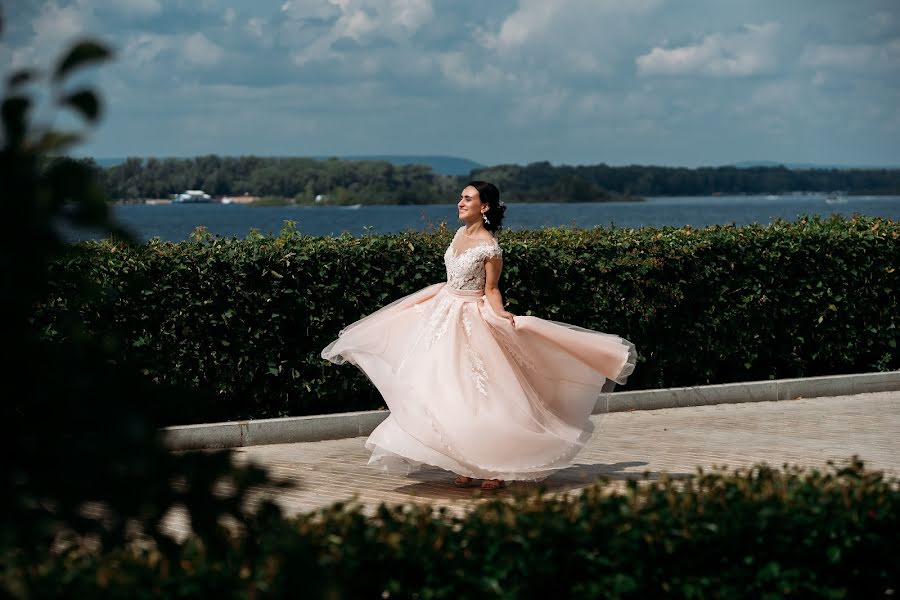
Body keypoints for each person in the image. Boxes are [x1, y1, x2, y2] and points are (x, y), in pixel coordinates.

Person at [322, 181, 636, 490]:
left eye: (468, 198)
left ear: (483, 207)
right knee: (444, 390)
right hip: (440, 312)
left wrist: (499, 313)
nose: (460, 202)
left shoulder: (490, 247)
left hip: (470, 318)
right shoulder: (459, 234)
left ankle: (496, 465)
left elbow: (491, 289)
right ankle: (465, 462)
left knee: (481, 394)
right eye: (461, 197)